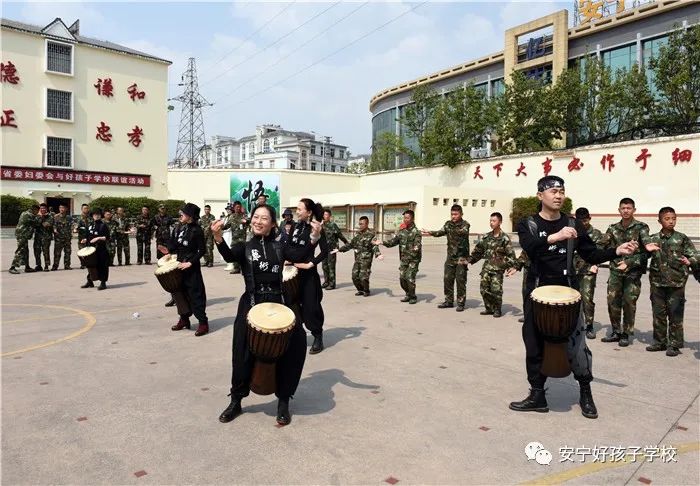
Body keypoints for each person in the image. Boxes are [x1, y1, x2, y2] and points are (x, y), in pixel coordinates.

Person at [510, 175, 638, 419]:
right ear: (540, 196)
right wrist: (554, 237)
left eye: (561, 191)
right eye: (553, 191)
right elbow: (529, 246)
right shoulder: (529, 223)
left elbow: (591, 254)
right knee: (534, 345)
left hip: (568, 292)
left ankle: (585, 393)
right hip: (536, 292)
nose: (558, 195)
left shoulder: (573, 223)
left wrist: (616, 251)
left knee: (577, 346)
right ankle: (537, 395)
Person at [212, 205, 310, 426]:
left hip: (279, 302)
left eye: (264, 218)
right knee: (241, 352)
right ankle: (236, 400)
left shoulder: (280, 246)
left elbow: (299, 255)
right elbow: (229, 255)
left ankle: (283, 400)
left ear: (273, 223)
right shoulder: (245, 247)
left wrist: (313, 237)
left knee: (295, 345)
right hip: (251, 302)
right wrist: (218, 237)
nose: (258, 221)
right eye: (255, 217)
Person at [644, 207, 699, 357]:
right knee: (658, 314)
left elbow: (694, 254)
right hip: (657, 283)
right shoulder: (653, 239)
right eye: (667, 219)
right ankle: (659, 342)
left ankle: (675, 344)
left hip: (676, 283)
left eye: (673, 219)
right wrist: (644, 251)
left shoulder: (681, 238)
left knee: (676, 315)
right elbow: (643, 255)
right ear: (659, 221)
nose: (671, 221)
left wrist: (690, 260)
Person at [599, 198, 652, 347]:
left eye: (629, 208)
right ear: (619, 210)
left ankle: (626, 334)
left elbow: (647, 252)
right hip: (616, 271)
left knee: (629, 303)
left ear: (634, 210)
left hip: (632, 273)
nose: (626, 211)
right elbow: (601, 245)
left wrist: (630, 261)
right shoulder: (612, 228)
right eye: (623, 208)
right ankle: (616, 331)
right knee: (612, 302)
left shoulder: (641, 227)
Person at [158, 203, 209, 336]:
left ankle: (203, 323)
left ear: (190, 216)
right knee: (179, 294)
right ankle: (184, 319)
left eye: (184, 213)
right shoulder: (182, 227)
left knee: (195, 295)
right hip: (179, 266)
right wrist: (168, 250)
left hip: (191, 268)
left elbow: (202, 250)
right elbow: (177, 245)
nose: (181, 215)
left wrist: (190, 263)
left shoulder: (197, 230)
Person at [288, 198, 328, 354]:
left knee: (311, 308)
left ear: (309, 212)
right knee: (293, 307)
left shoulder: (316, 228)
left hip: (308, 275)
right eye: (296, 209)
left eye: (300, 209)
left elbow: (324, 251)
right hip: (292, 274)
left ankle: (318, 336)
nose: (297, 212)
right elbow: (288, 245)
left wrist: (311, 263)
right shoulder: (295, 226)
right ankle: (296, 336)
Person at [466, 212, 516, 318]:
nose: (491, 223)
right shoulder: (487, 237)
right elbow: (478, 251)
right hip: (486, 268)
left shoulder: (504, 238)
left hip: (498, 270)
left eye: (494, 221)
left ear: (500, 222)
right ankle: (489, 308)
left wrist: (506, 266)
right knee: (484, 289)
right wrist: (469, 260)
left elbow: (511, 256)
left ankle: (497, 309)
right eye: (490, 221)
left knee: (496, 290)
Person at [421, 204, 470, 312]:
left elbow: (462, 232)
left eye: (456, 214)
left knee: (460, 281)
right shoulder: (448, 224)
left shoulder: (465, 224)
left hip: (462, 258)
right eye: (452, 214)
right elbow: (440, 232)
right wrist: (430, 232)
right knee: (447, 279)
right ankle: (448, 301)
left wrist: (451, 228)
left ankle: (461, 303)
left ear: (461, 214)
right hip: (450, 257)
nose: (453, 216)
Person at [374, 210, 422, 304]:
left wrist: (414, 250)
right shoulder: (402, 232)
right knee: (402, 279)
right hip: (404, 260)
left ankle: (413, 297)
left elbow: (417, 245)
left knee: (409, 278)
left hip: (413, 260)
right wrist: (382, 242)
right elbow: (392, 242)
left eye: (407, 218)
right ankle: (408, 294)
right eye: (404, 218)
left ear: (412, 219)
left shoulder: (416, 232)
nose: (405, 219)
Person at [572, 208, 604, 339]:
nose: (583, 223)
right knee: (572, 299)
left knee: (587, 299)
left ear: (589, 219)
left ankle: (589, 325)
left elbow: (600, 252)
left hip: (588, 271)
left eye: (585, 220)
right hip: (572, 271)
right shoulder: (571, 232)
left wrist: (595, 265)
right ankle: (574, 325)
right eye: (580, 221)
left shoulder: (596, 234)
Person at [333, 216, 383, 296]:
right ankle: (360, 290)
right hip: (357, 259)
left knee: (363, 277)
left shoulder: (371, 235)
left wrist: (378, 254)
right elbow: (351, 244)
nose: (360, 226)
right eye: (359, 224)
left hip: (366, 260)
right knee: (354, 276)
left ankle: (366, 291)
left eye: (362, 224)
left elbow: (374, 246)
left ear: (367, 224)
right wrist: (339, 250)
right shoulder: (357, 234)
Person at [80, 208, 110, 290]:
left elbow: (107, 237)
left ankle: (103, 283)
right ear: (92, 216)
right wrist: (85, 239)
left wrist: (98, 238)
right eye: (95, 214)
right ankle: (90, 281)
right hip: (91, 249)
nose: (97, 216)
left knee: (102, 266)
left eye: (98, 214)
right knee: (91, 265)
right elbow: (88, 236)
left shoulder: (103, 225)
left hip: (101, 249)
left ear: (101, 216)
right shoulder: (90, 225)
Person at [321, 208, 349, 290]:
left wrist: (346, 243)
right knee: (324, 266)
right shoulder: (321, 225)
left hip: (332, 249)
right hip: (324, 249)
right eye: (324, 214)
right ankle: (326, 282)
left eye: (326, 215)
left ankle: (332, 284)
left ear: (330, 216)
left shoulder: (333, 225)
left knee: (331, 266)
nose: (325, 216)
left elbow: (340, 235)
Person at [9, 204, 39, 274]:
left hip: (24, 235)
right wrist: (40, 217)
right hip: (22, 235)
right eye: (37, 211)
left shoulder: (26, 213)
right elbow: (35, 222)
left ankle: (27, 267)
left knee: (26, 251)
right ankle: (12, 267)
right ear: (34, 210)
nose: (37, 213)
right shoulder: (28, 214)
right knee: (20, 250)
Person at [223, 201, 248, 274]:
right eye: (236, 207)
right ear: (234, 208)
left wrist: (246, 221)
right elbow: (227, 226)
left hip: (242, 238)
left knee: (243, 252)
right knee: (234, 253)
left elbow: (249, 221)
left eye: (239, 207)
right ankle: (236, 268)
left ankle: (244, 268)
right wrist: (221, 227)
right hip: (234, 238)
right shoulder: (231, 216)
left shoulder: (244, 215)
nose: (238, 208)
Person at [510, 250, 530, 323]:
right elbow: (524, 255)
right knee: (526, 292)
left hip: (544, 271)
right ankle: (527, 315)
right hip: (529, 270)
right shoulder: (530, 243)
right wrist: (516, 267)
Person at [52, 203, 73, 271]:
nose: (61, 209)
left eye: (63, 208)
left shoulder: (69, 217)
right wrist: (54, 230)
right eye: (60, 207)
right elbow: (54, 225)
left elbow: (73, 225)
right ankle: (55, 266)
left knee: (68, 252)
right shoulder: (56, 217)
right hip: (58, 238)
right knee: (57, 253)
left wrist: (74, 229)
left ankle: (67, 265)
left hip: (67, 238)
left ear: (66, 209)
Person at [33, 203, 53, 271]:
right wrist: (41, 217)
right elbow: (35, 224)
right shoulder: (37, 216)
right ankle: (38, 265)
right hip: (38, 237)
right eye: (41, 208)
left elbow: (46, 224)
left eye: (44, 208)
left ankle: (46, 266)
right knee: (37, 251)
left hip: (46, 237)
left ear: (46, 209)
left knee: (46, 252)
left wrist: (41, 218)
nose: (42, 209)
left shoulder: (50, 216)